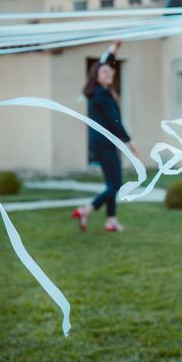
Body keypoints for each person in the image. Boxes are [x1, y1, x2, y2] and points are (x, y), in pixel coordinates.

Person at [72, 40, 138, 232]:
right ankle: (87, 209)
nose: (109, 73)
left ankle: (111, 220)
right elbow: (114, 120)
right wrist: (129, 140)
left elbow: (104, 64)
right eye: (104, 72)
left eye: (110, 71)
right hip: (105, 142)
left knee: (112, 183)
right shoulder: (101, 94)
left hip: (101, 142)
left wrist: (113, 50)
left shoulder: (97, 91)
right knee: (116, 183)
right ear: (97, 76)